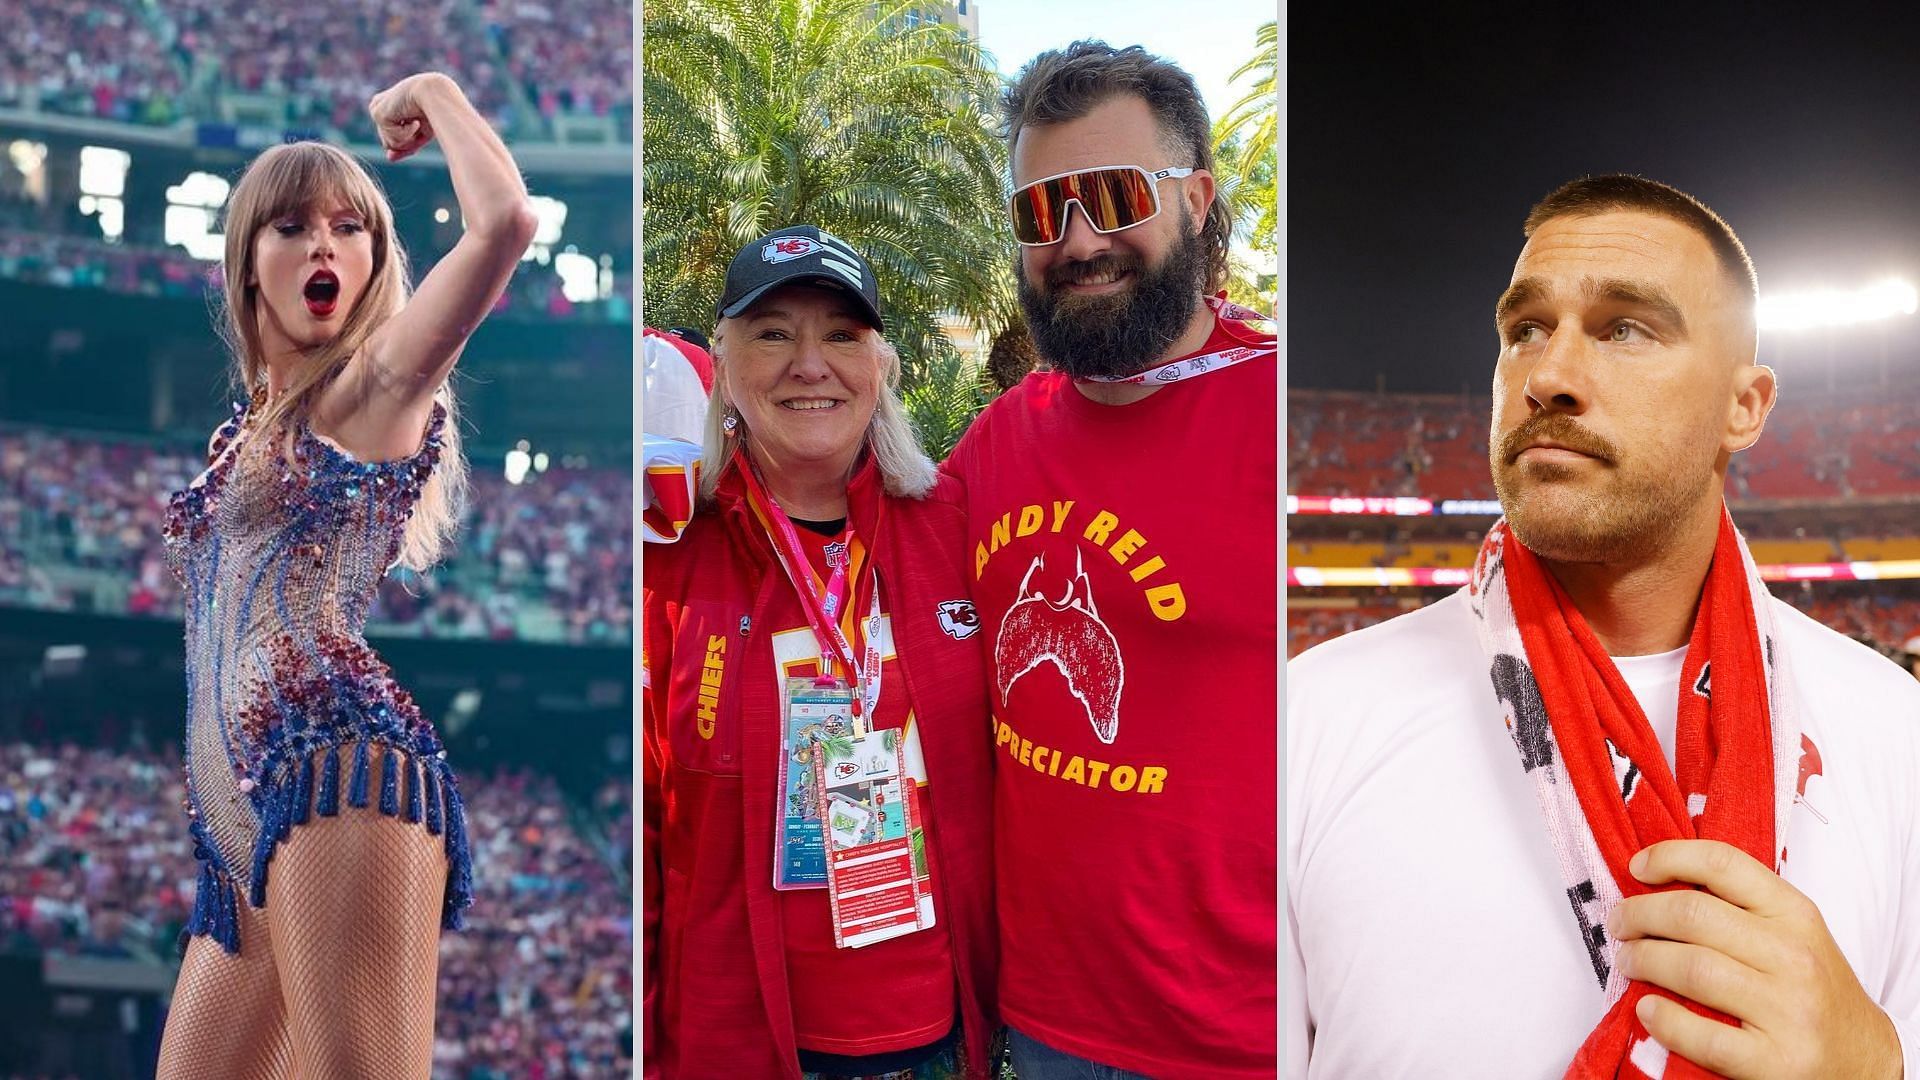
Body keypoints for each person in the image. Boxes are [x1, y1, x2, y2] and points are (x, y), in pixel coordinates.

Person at [1288, 175, 1920, 1078]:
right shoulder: (1314, 713)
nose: (1548, 376)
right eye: (1525, 330)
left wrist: (1879, 1068)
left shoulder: (1894, 728)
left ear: (1745, 407)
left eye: (1626, 328)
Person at [155, 73, 536, 1079]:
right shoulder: (243, 431)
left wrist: (439, 94)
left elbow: (503, 225)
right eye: (290, 226)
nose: (324, 243)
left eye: (349, 226)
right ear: (248, 268)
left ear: (373, 262)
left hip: (333, 768)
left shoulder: (370, 390)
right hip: (235, 827)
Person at [939, 42, 1278, 1079]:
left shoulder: (1277, 413)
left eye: (1112, 196)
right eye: (1041, 212)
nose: (1077, 240)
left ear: (1196, 198)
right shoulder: (996, 442)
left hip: (1247, 1039)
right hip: (1045, 1033)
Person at [641, 226, 996, 1079]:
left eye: (842, 334)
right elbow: (641, 828)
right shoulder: (667, 555)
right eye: (773, 333)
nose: (810, 364)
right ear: (722, 363)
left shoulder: (959, 527)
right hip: (738, 1031)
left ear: (883, 366)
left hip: (933, 1027)